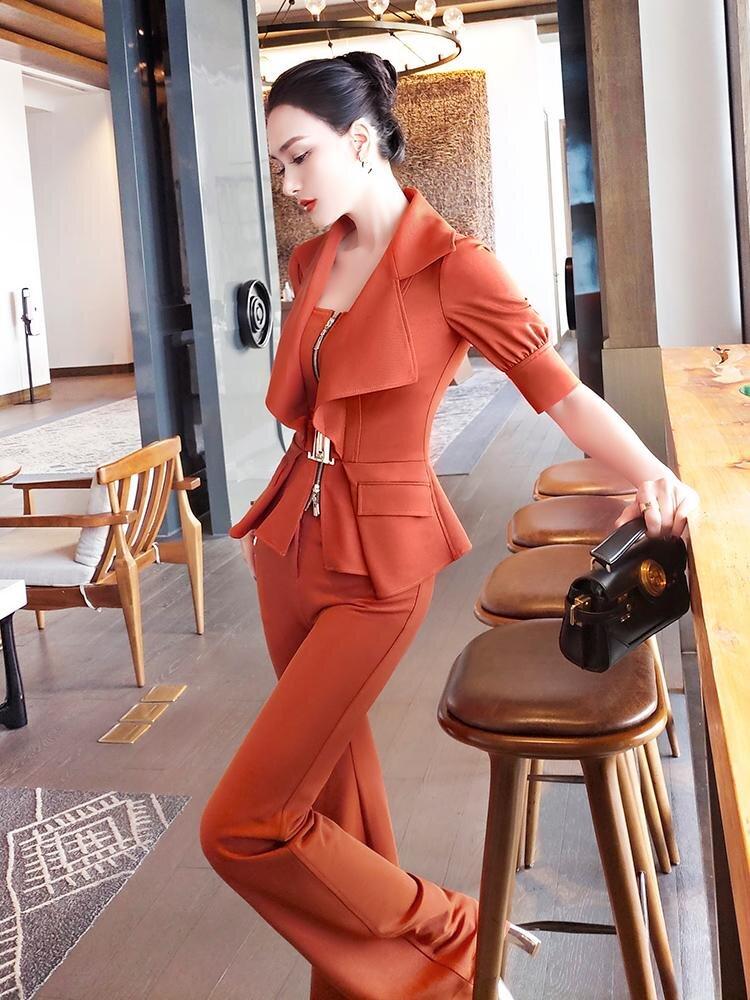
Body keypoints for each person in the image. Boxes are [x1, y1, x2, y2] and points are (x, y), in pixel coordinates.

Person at [199, 51, 700, 1000]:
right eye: (277, 166)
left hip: (379, 567)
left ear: (359, 141)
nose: (290, 184)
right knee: (333, 805)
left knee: (243, 822)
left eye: (301, 157)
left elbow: (563, 396)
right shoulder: (312, 260)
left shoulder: (456, 265)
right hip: (285, 548)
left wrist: (656, 476)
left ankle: (461, 936)